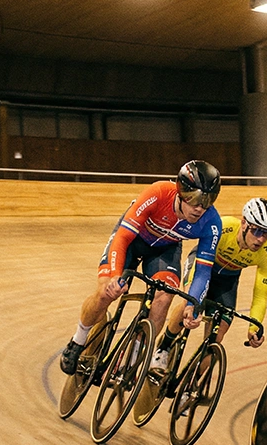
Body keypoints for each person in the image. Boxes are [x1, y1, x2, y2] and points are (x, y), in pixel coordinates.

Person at [59, 160, 223, 376]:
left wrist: (194, 304)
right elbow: (123, 236)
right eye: (195, 199)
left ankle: (133, 358)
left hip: (163, 251)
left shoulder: (211, 223)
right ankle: (78, 339)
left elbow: (202, 271)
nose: (200, 208)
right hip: (131, 240)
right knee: (104, 293)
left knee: (165, 297)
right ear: (181, 191)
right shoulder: (158, 193)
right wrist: (116, 277)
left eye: (208, 201)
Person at [151, 197, 267, 372]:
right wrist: (192, 300)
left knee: (216, 337)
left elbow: (260, 296)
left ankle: (192, 387)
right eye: (257, 231)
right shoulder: (224, 227)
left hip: (227, 281)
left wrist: (254, 327)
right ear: (244, 224)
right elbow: (200, 270)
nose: (261, 239)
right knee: (189, 303)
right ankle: (164, 347)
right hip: (203, 264)